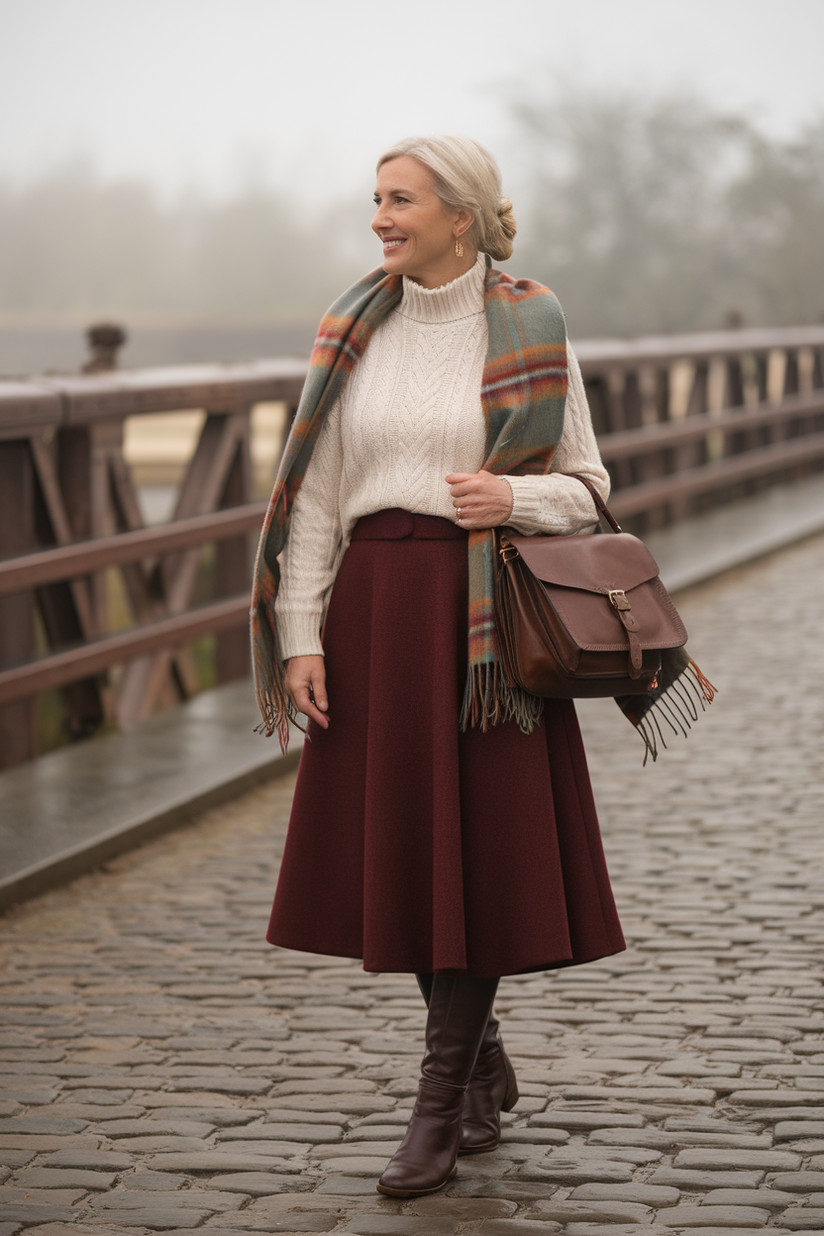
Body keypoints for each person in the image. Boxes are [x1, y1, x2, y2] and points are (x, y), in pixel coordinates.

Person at [250, 135, 627, 1198]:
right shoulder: (349, 330)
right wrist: (300, 636)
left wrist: (512, 498)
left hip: (483, 631)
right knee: (412, 849)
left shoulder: (533, 324)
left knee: (474, 849)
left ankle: (435, 1101)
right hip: (374, 609)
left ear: (460, 215)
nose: (379, 216)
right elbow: (316, 498)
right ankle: (476, 1060)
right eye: (374, 198)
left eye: (400, 199)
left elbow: (590, 487)